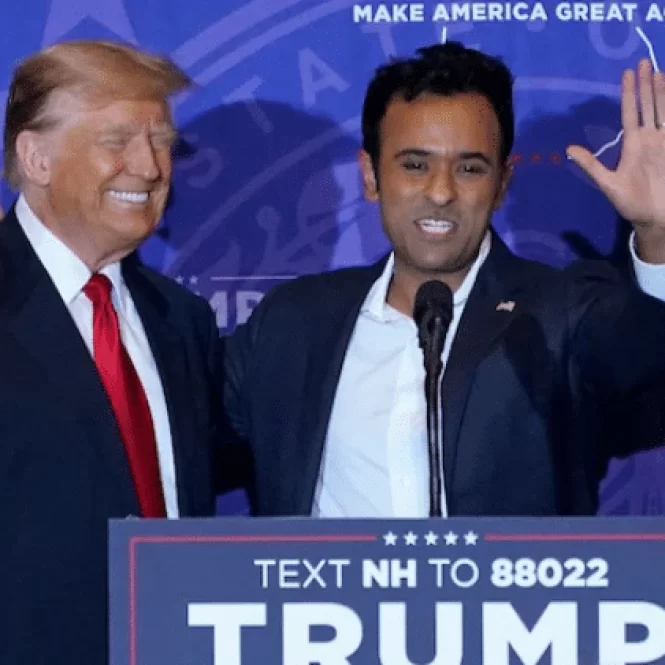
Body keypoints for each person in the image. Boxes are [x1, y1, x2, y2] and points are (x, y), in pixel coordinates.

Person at [224, 41, 665, 519]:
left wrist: (659, 237)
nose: (440, 192)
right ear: (370, 176)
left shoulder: (562, 316)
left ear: (502, 184)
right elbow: (175, 444)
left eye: (470, 169)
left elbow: (649, 367)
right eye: (415, 165)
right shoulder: (290, 323)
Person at [0, 41, 229, 665]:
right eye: (118, 140)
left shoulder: (181, 321)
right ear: (36, 156)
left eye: (161, 142)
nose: (151, 168)